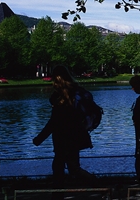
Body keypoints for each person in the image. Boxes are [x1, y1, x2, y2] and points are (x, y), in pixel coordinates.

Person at [33, 65, 93, 197]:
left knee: (63, 168)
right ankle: (95, 187)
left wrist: (39, 138)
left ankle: (96, 186)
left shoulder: (61, 98)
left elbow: (53, 122)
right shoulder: (75, 92)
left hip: (63, 138)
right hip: (74, 137)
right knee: (70, 168)